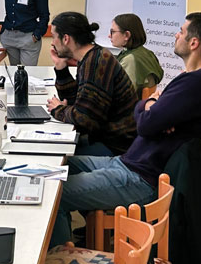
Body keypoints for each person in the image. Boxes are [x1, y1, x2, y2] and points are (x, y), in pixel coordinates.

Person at [49, 12, 201, 247]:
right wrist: (152, 106)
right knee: (52, 166)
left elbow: (144, 123)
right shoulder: (190, 79)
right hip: (126, 163)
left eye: (182, 31)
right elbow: (150, 118)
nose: (177, 34)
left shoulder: (200, 83)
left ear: (194, 43)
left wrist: (150, 104)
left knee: (53, 194)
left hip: (138, 178)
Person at [46, 12, 137, 156]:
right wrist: (61, 67)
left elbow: (86, 120)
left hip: (115, 147)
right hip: (105, 139)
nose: (52, 42)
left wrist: (57, 110)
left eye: (53, 37)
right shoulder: (91, 56)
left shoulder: (97, 63)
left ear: (65, 38)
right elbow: (75, 101)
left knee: (54, 156)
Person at [0, 0, 49, 66]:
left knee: (27, 74)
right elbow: (10, 13)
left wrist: (37, 35)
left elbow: (44, 15)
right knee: (15, 73)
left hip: (28, 37)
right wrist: (2, 32)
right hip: (9, 37)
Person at [109, 13, 164, 96]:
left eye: (112, 32)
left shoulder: (130, 60)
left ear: (127, 35)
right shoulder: (148, 53)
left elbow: (120, 95)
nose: (109, 36)